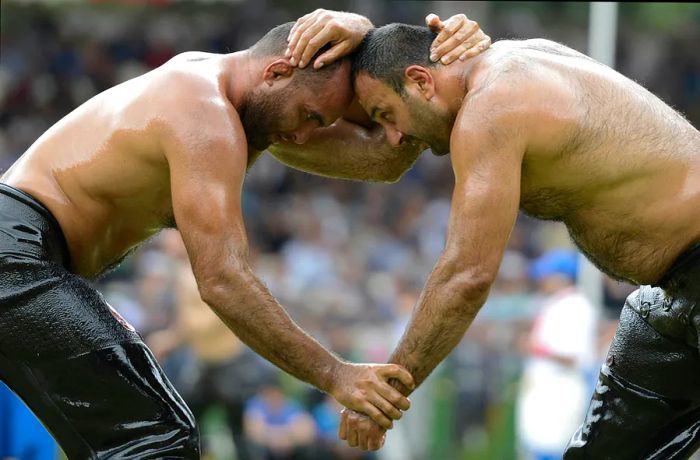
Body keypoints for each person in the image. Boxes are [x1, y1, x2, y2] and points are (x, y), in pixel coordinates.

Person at [0, 10, 489, 457]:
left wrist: (392, 45)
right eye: (310, 118)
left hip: (26, 256)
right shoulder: (204, 113)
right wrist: (334, 374)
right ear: (276, 71)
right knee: (152, 435)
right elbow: (222, 280)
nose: (304, 137)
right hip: (14, 250)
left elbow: (384, 159)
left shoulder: (244, 106)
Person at [324, 22, 699, 458]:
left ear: (421, 81)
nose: (393, 137)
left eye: (386, 114)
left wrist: (384, 394)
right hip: (671, 296)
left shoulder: (490, 109)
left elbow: (466, 276)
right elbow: (385, 165)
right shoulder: (518, 61)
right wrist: (261, 131)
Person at [516, 249, 598, 460]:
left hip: (561, 388)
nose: (541, 280)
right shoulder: (553, 303)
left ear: (561, 276)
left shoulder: (576, 306)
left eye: (546, 274)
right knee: (535, 449)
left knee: (554, 451)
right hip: (545, 387)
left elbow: (575, 357)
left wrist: (536, 348)